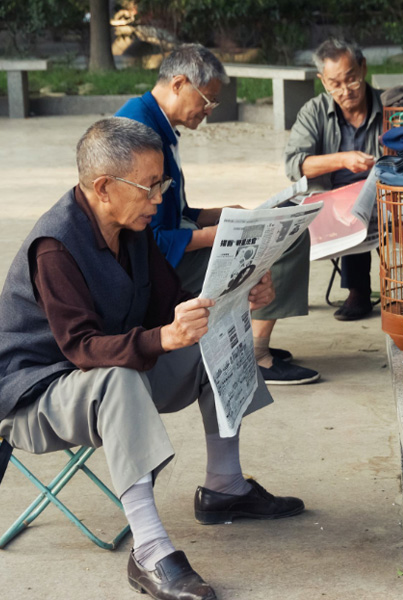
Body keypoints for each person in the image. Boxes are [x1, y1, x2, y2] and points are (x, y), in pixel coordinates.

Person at [0, 118, 304, 600]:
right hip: (37, 396)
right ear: (103, 187)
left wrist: (238, 295)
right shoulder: (55, 247)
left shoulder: (130, 226)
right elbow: (81, 349)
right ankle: (149, 549)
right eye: (149, 186)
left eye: (161, 183)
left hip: (101, 375)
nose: (159, 198)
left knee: (213, 333)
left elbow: (168, 302)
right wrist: (162, 339)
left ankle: (224, 486)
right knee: (117, 377)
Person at [116, 43, 319, 385]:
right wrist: (220, 235)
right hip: (148, 265)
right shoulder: (141, 134)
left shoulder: (154, 122)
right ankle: (257, 354)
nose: (209, 110)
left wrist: (221, 214)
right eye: (207, 99)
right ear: (179, 83)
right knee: (283, 240)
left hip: (169, 243)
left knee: (280, 220)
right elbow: (148, 239)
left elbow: (171, 212)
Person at [284, 38, 383, 321]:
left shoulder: (388, 105)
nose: (345, 90)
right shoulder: (314, 111)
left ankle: (399, 289)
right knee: (347, 210)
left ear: (363, 69)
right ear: (323, 81)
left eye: (351, 80)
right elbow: (294, 164)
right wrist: (342, 159)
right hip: (335, 198)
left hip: (385, 196)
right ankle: (358, 291)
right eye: (335, 83)